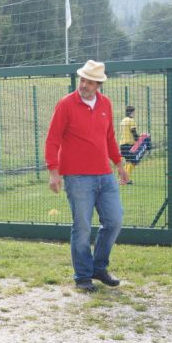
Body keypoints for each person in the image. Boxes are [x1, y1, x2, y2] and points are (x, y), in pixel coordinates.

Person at [45, 60, 129, 292]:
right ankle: (83, 275)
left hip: (105, 174)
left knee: (114, 221)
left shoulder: (106, 104)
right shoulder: (66, 104)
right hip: (77, 176)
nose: (83, 85)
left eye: (89, 82)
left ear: (98, 84)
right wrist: (54, 172)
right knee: (82, 227)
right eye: (82, 80)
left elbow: (110, 137)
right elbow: (53, 139)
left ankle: (98, 268)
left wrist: (119, 164)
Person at [119, 105, 139, 183]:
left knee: (128, 161)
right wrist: (138, 139)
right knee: (132, 161)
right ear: (132, 112)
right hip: (129, 144)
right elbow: (133, 131)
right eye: (134, 112)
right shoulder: (131, 120)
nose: (134, 114)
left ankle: (123, 178)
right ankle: (125, 179)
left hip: (122, 144)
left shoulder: (123, 120)